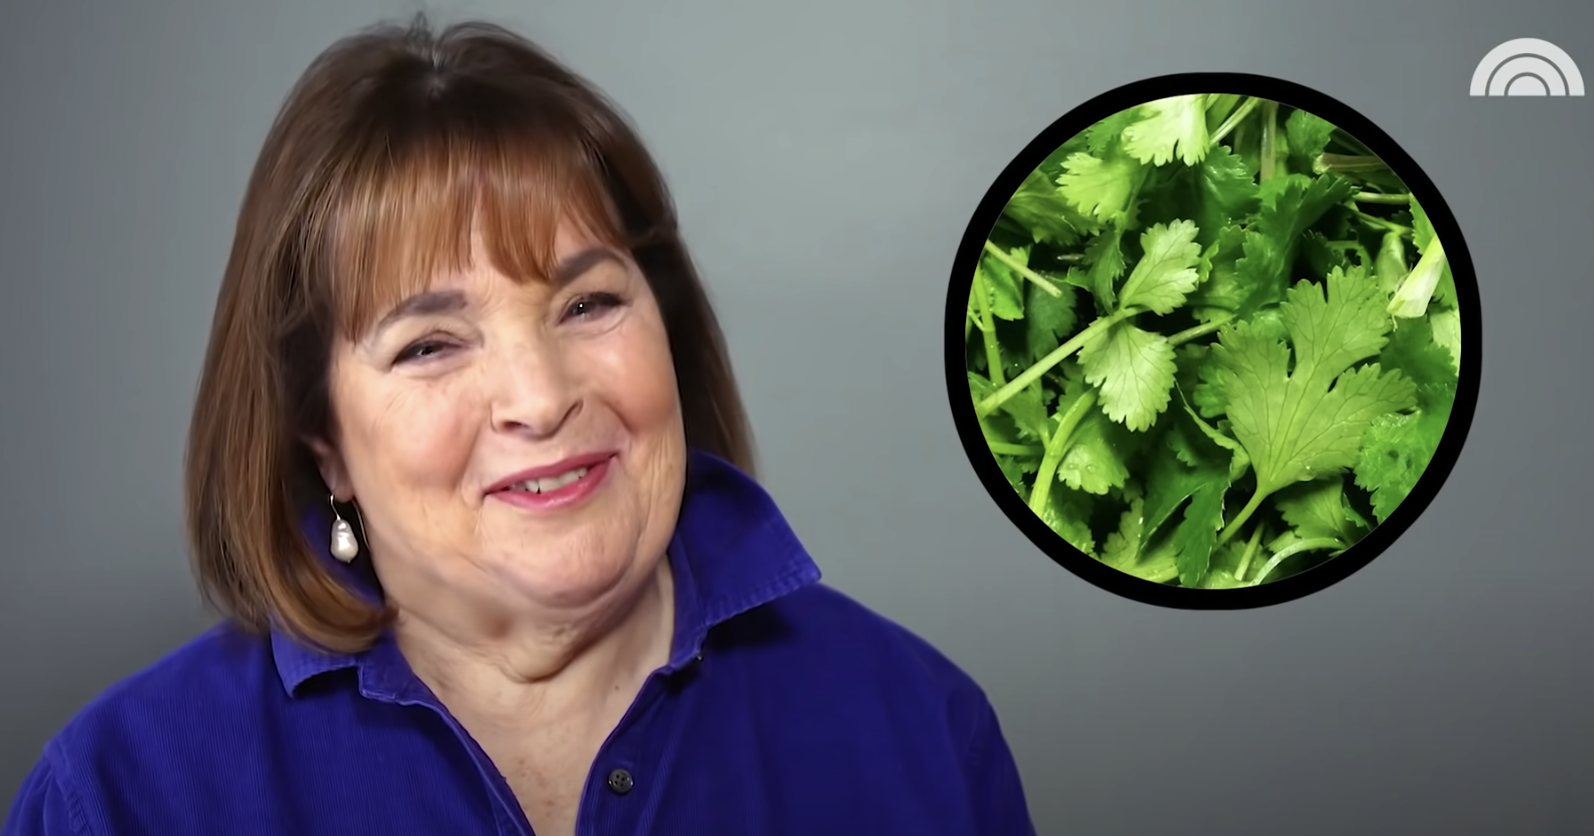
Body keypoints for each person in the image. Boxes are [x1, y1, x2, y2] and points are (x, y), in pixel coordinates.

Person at [1, 15, 1036, 836]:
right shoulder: (122, 796)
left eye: (588, 304)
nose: (540, 398)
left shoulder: (922, 730)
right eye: (430, 344)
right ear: (323, 439)